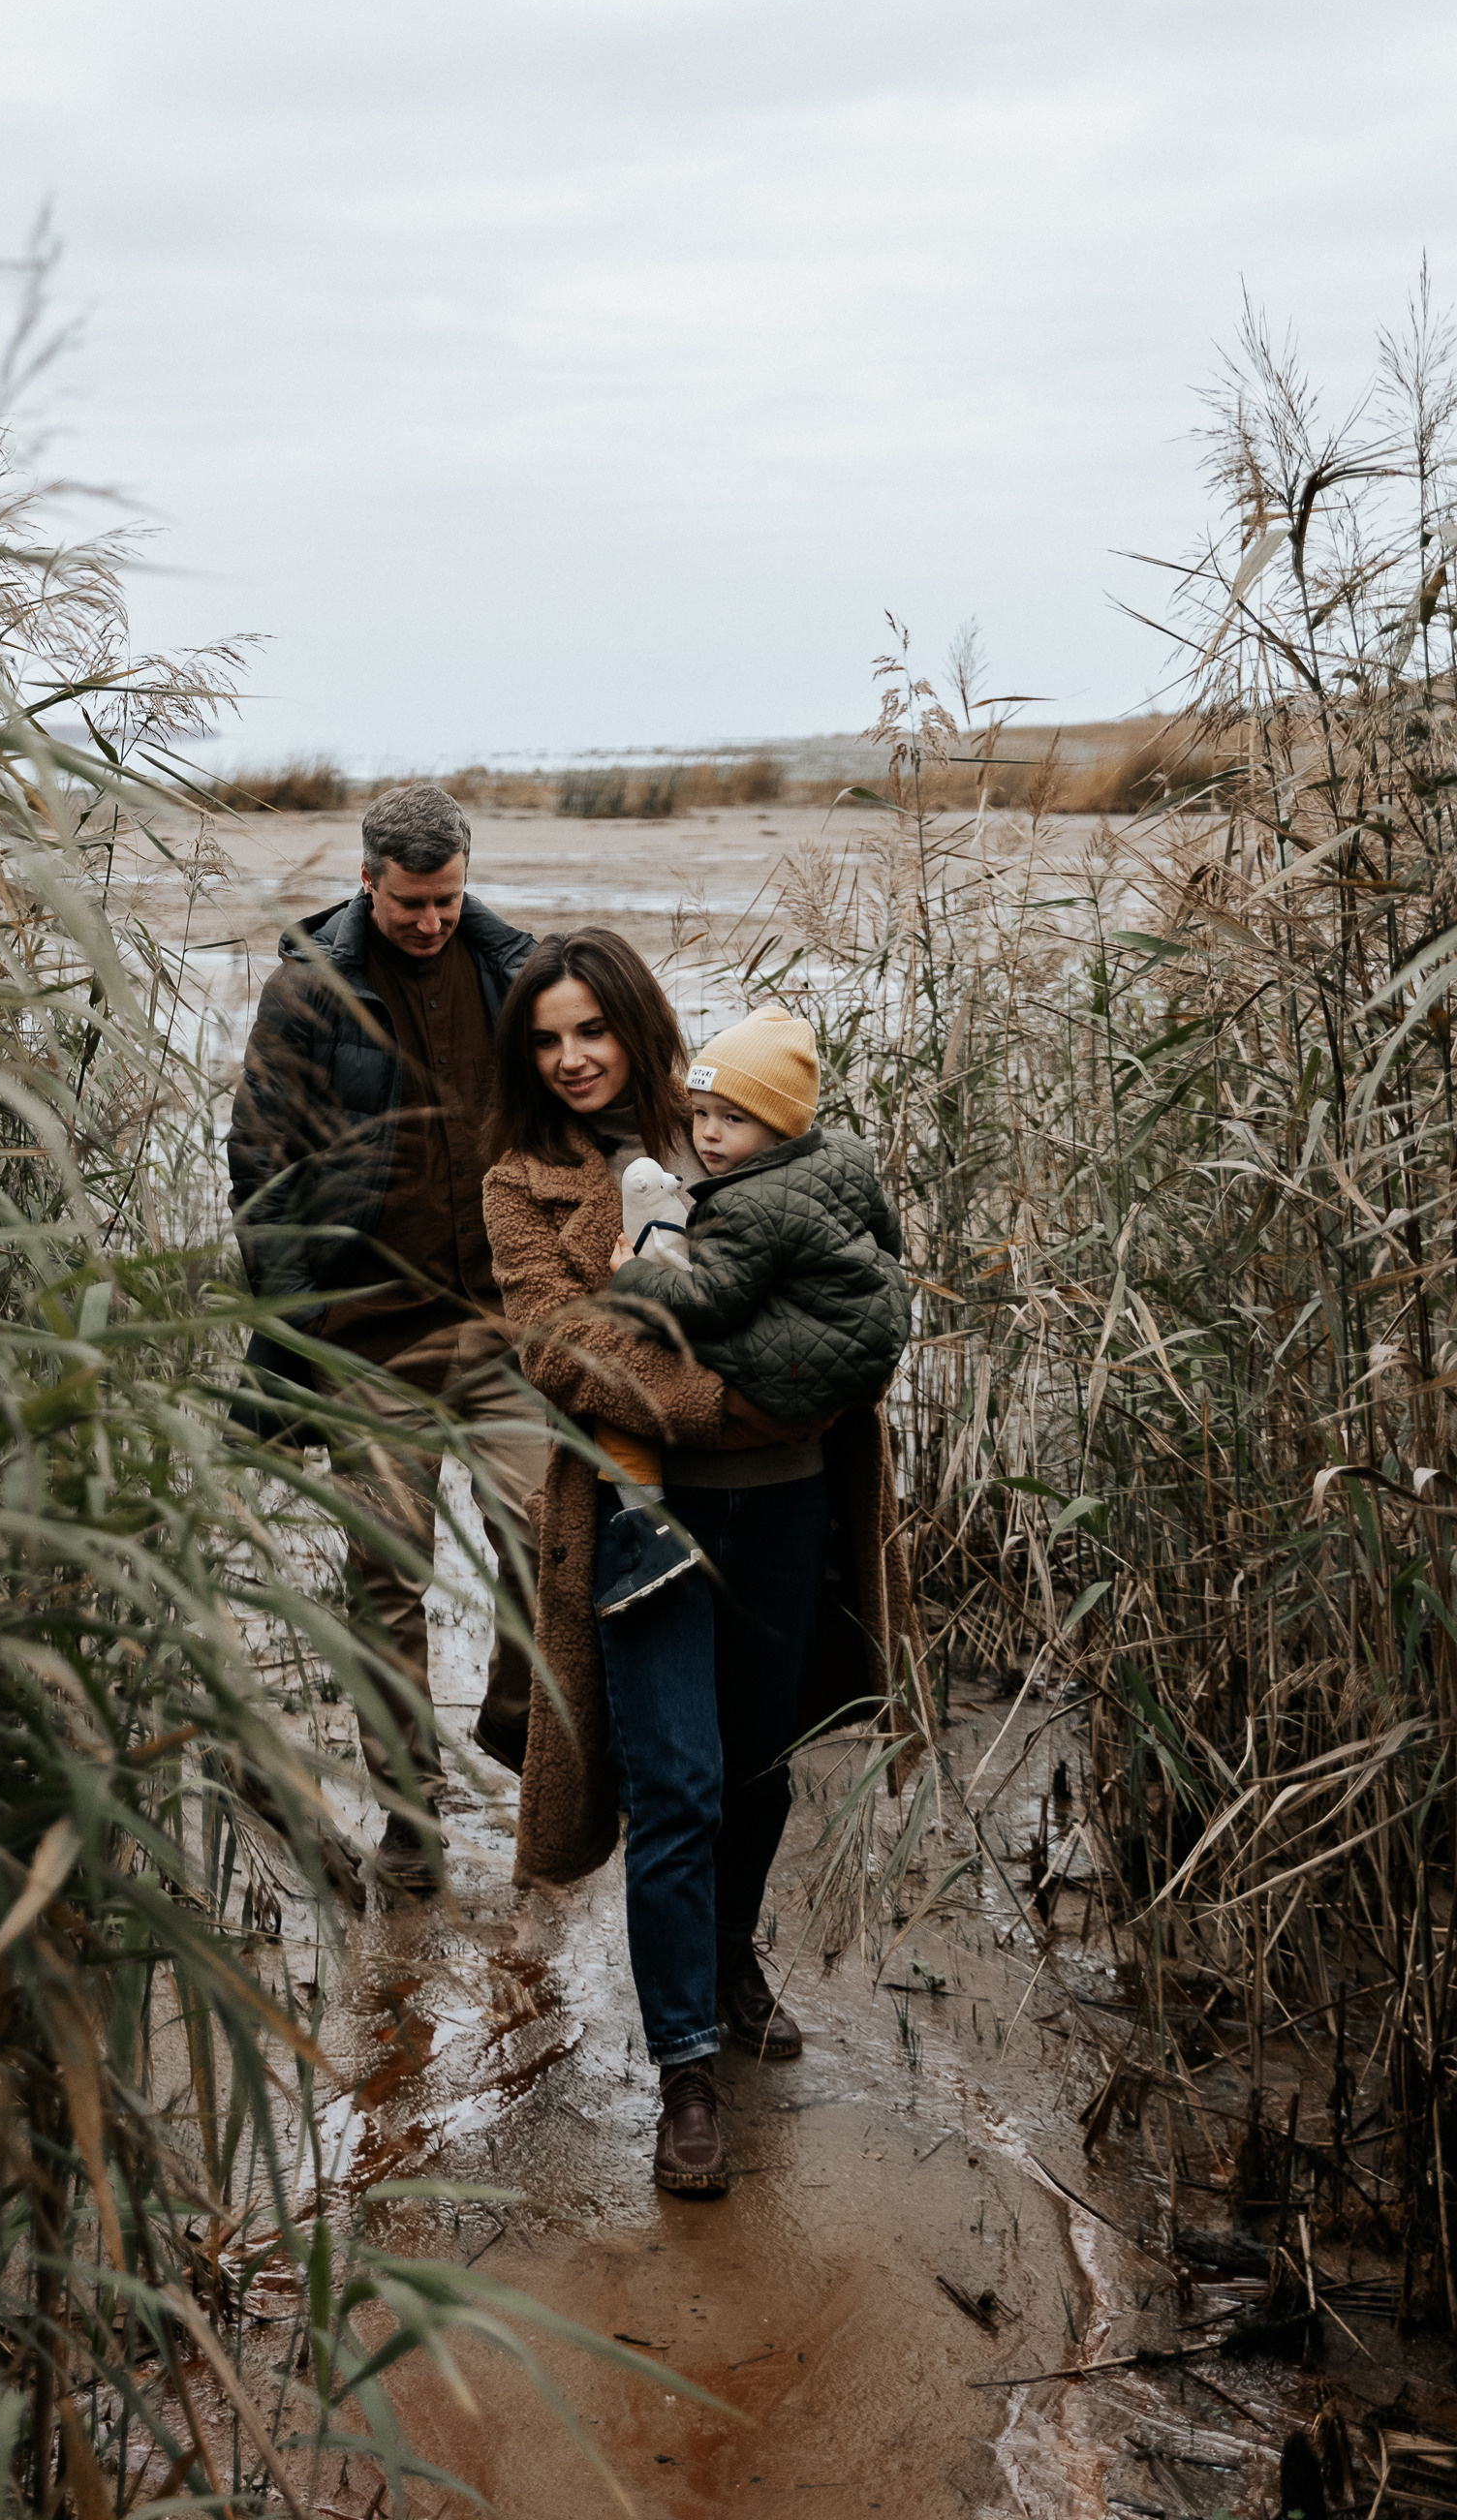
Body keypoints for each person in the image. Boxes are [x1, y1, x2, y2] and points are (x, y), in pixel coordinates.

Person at [480, 931, 918, 2198]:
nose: (570, 1059)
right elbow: (559, 1348)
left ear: (636, 1025)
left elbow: (858, 1272)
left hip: (787, 1514)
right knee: (674, 1787)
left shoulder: (730, 1126)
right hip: (639, 1519)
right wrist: (745, 1401)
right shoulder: (522, 1184)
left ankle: (729, 1961)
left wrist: (797, 1390)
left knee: (756, 1768)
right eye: (546, 1040)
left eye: (590, 1032)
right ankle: (684, 2074)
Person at [228, 780, 541, 1893]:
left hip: (503, 1325)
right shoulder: (309, 990)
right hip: (373, 1341)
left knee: (551, 1550)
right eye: (409, 901)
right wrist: (302, 1331)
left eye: (446, 897)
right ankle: (412, 1824)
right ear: (368, 881)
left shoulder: (514, 965)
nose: (428, 920)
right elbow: (261, 1167)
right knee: (385, 1588)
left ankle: (517, 1739)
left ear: (466, 875)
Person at [595, 1006, 910, 1621]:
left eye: (732, 1119)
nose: (708, 1136)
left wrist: (632, 1277)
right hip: (869, 1337)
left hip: (799, 1368)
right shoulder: (845, 1158)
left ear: (782, 1127)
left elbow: (711, 1302)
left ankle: (647, 1529)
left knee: (632, 1355)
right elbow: (887, 1241)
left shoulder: (746, 1204)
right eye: (701, 1114)